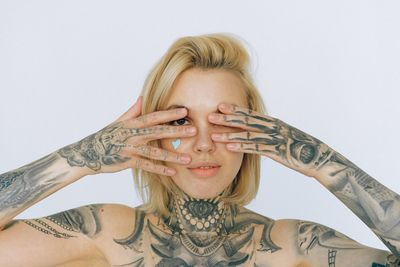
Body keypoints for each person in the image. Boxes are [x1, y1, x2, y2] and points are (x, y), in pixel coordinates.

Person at [0, 33, 398, 267]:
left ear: (258, 135)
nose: (204, 143)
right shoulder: (108, 233)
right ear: (150, 131)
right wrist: (81, 158)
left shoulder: (294, 246)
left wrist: (321, 162)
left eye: (224, 122)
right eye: (180, 120)